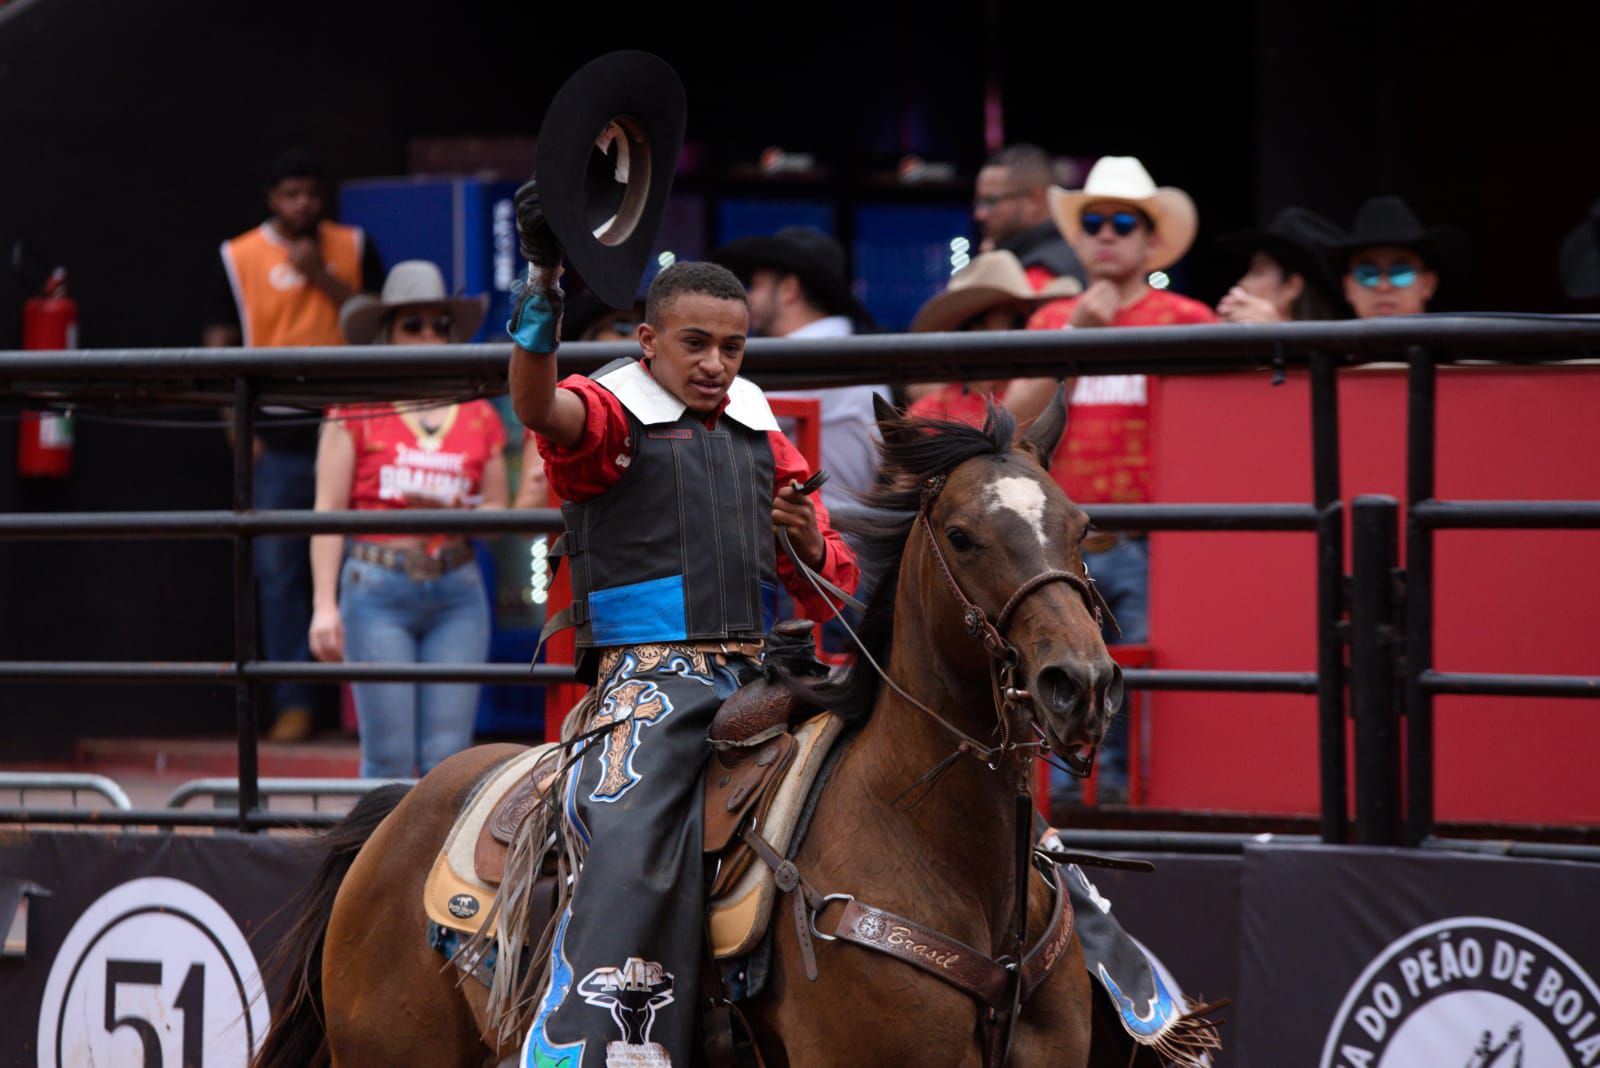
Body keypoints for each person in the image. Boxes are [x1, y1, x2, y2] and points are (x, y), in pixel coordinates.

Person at [506, 184, 859, 1067]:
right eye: (695, 343)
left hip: (764, 674)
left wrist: (807, 539)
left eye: (732, 347)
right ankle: (587, 1049)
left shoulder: (762, 429)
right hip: (648, 683)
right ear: (648, 340)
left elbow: (829, 584)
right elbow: (536, 408)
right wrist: (543, 281)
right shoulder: (606, 413)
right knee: (632, 838)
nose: (715, 364)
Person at [1006, 155, 1214, 806]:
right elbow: (1011, 417)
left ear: (1150, 241)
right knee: (1064, 671)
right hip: (1062, 542)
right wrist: (1076, 335)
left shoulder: (1187, 319)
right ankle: (1074, 798)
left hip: (1156, 536)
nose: (1105, 234)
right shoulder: (1052, 321)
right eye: (1093, 222)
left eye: (1123, 223)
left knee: (1150, 678)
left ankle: (1138, 801)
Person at [203, 148, 384, 742]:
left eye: (311, 193)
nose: (302, 205)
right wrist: (236, 429)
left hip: (349, 425)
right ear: (271, 198)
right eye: (290, 195)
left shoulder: (353, 245)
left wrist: (321, 275)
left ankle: (365, 707)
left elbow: (381, 325)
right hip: (275, 435)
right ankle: (294, 703)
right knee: (278, 573)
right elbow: (216, 344)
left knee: (363, 566)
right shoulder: (238, 255)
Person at [306, 261, 506, 778]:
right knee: (388, 758)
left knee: (450, 762)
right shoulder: (355, 408)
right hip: (376, 585)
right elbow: (328, 510)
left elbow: (498, 512)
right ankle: (381, 838)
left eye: (441, 325)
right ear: (386, 333)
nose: (429, 335)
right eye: (412, 324)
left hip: (458, 586)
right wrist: (323, 606)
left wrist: (458, 513)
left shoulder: (479, 412)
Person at [711, 226, 888, 514]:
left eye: (756, 285)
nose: (749, 298)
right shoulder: (839, 347)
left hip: (818, 532)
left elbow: (717, 414)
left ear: (789, 289)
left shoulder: (821, 352)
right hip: (824, 527)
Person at [906, 249, 1080, 425]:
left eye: (1028, 318)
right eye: (1019, 320)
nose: (1032, 326)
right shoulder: (930, 413)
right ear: (975, 328)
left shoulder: (1051, 393)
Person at [1328, 195, 1462, 319]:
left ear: (1428, 284)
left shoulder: (1464, 338)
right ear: (1348, 287)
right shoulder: (1323, 339)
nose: (1383, 286)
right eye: (1367, 274)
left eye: (1401, 273)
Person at [974, 144, 1085, 287]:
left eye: (991, 201)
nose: (980, 214)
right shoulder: (1012, 259)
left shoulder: (1042, 273)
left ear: (1034, 201)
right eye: (979, 202)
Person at [1216, 206, 1347, 323]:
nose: (1242, 283)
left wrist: (1271, 335)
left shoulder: (1342, 343)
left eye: (1258, 272)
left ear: (1291, 286)